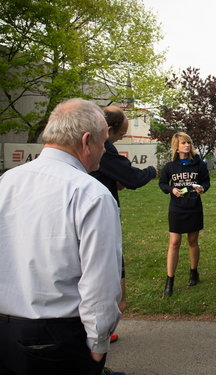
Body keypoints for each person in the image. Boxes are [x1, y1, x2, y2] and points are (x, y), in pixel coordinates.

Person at [0, 99, 124, 375]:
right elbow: (100, 283)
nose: (104, 151)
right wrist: (98, 342)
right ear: (86, 141)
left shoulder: (7, 181)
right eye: (104, 142)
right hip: (57, 336)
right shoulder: (91, 194)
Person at [91, 106, 157, 339]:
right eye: (121, 135)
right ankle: (98, 340)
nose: (122, 139)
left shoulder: (98, 155)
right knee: (115, 291)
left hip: (100, 223)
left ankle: (99, 336)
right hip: (100, 228)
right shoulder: (105, 150)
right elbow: (133, 179)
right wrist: (152, 170)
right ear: (108, 130)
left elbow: (117, 179)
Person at [159, 132, 210, 297]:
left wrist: (202, 188)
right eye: (183, 143)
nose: (187, 145)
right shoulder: (170, 166)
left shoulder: (199, 164)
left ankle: (194, 272)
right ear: (176, 146)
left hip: (194, 206)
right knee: (174, 242)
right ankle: (170, 280)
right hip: (177, 208)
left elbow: (206, 181)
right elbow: (162, 183)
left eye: (188, 142)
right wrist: (171, 189)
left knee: (192, 241)